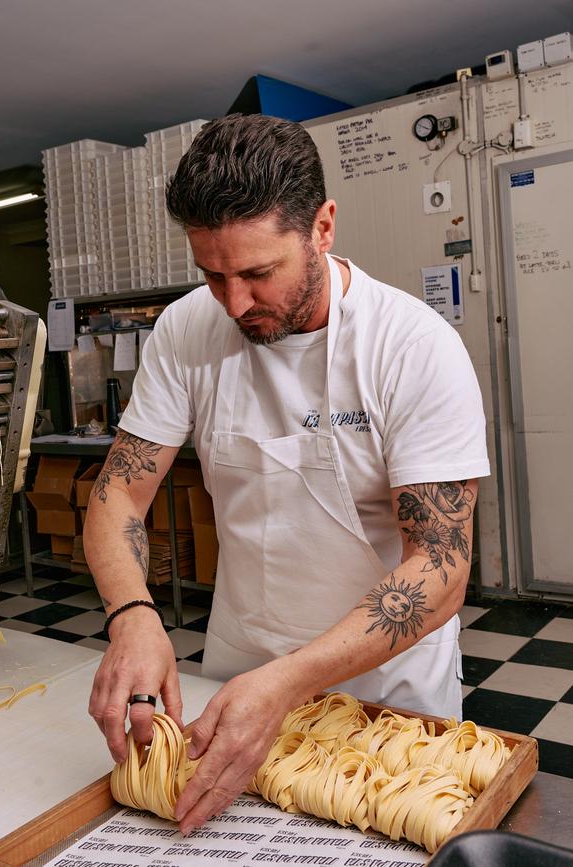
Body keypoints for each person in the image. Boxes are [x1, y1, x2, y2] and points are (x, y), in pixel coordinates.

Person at [83, 113, 490, 835]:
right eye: (213, 275)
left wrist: (290, 682)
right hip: (240, 666)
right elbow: (119, 490)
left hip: (385, 689)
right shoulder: (185, 331)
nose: (234, 303)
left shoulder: (412, 348)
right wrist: (133, 615)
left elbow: (441, 567)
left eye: (257, 273)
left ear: (323, 227)